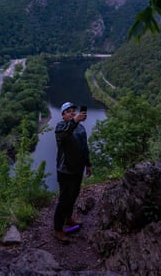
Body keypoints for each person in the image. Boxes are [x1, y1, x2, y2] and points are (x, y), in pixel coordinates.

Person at [53, 102, 92, 244]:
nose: (71, 113)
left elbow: (84, 147)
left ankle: (68, 218)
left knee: (74, 195)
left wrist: (88, 164)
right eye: (68, 111)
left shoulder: (81, 128)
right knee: (63, 199)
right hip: (65, 170)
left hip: (78, 168)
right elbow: (64, 136)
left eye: (73, 111)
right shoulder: (60, 127)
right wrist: (74, 121)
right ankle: (58, 229)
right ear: (63, 115)